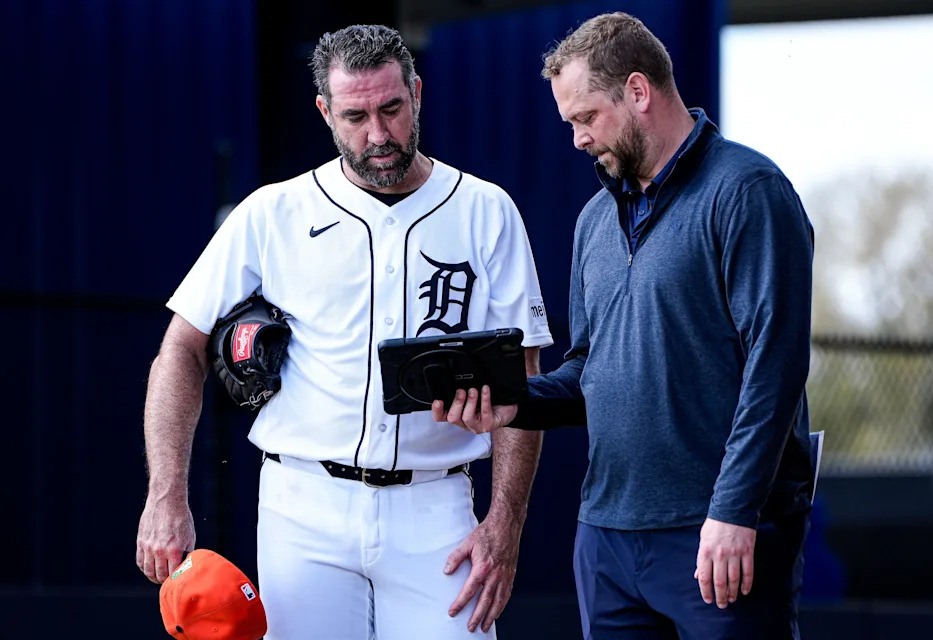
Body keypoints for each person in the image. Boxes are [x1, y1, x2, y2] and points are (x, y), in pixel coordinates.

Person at [135, 24, 553, 640]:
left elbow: (526, 374)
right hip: (303, 503)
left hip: (436, 507)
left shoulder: (486, 209)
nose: (378, 135)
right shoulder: (272, 211)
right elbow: (180, 346)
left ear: (417, 92)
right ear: (325, 112)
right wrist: (166, 495)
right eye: (356, 115)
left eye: (391, 109)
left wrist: (505, 523)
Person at [435, 12, 815, 640]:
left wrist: (733, 509)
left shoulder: (748, 191)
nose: (578, 139)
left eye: (586, 118)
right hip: (607, 539)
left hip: (716, 535)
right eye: (571, 124)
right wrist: (511, 402)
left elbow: (775, 366)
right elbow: (590, 371)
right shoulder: (592, 222)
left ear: (638, 92)